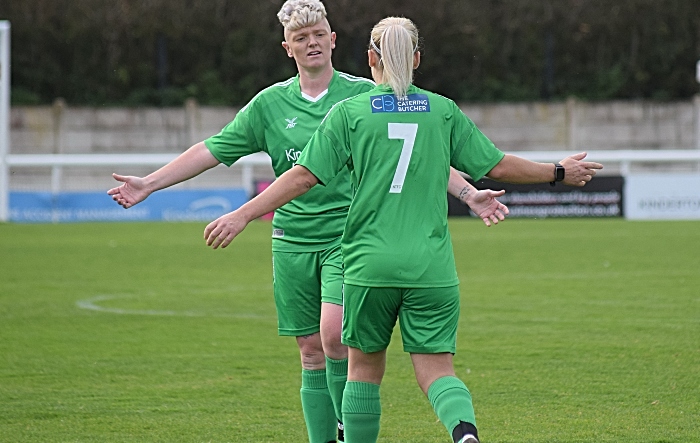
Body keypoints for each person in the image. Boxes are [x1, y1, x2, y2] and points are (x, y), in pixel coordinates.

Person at [107, 2, 508, 442]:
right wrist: (149, 183)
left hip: (349, 238)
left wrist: (468, 193)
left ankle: (347, 426)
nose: (312, 42)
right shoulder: (270, 105)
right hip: (293, 239)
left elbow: (415, 155)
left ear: (333, 40)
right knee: (311, 352)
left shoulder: (363, 96)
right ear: (288, 48)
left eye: (319, 34)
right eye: (301, 38)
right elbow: (212, 149)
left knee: (334, 335)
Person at [201, 16, 603, 443]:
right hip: (430, 267)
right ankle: (464, 431)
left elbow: (301, 177)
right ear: (415, 58)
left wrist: (243, 214)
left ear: (371, 58)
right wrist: (558, 171)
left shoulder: (349, 113)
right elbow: (496, 165)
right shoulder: (441, 110)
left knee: (362, 372)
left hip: (369, 265)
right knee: (437, 370)